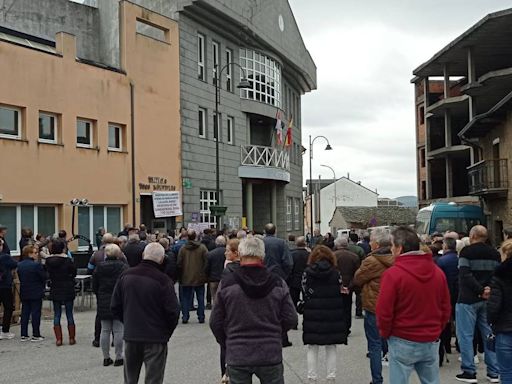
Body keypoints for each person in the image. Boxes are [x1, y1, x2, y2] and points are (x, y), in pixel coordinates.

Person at [210, 237, 298, 384]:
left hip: (238, 351)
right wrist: (276, 332)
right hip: (270, 351)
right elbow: (291, 318)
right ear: (262, 256)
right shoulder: (277, 283)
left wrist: (227, 341)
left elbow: (215, 322)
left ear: (240, 254)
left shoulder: (227, 283)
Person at [376, 226, 451, 384]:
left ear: (399, 248)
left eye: (392, 246)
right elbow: (445, 307)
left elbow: (384, 311)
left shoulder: (393, 274)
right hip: (430, 337)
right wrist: (437, 328)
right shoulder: (437, 272)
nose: (391, 249)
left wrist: (386, 333)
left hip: (401, 337)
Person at [111, 243, 180, 384]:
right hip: (155, 337)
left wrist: (128, 321)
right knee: (154, 379)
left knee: (130, 379)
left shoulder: (126, 275)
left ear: (143, 255)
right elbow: (173, 312)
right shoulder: (163, 280)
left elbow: (115, 305)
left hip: (132, 335)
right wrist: (165, 332)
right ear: (162, 259)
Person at [455, 225, 501, 383]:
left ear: (472, 235)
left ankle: (469, 371)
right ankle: (493, 371)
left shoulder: (466, 252)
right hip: (487, 299)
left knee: (466, 336)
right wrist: (487, 289)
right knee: (489, 334)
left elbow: (465, 275)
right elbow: (497, 275)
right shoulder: (495, 253)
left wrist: (479, 290)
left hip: (468, 299)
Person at [353, 228, 395, 384]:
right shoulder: (396, 258)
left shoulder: (371, 261)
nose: (369, 243)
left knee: (374, 344)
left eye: (371, 240)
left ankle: (377, 380)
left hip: (374, 306)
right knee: (392, 341)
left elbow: (358, 278)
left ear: (376, 244)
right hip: (392, 305)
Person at [302, 245, 348, 384]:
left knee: (312, 346)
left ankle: (312, 377)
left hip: (312, 311)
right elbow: (340, 290)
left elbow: (304, 292)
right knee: (331, 346)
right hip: (332, 312)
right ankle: (331, 377)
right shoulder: (336, 273)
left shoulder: (307, 272)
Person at [93, 243, 128, 367]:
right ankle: (119, 356)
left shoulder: (99, 267)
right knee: (118, 330)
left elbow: (94, 285)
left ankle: (106, 357)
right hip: (118, 299)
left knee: (105, 330)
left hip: (103, 299)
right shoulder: (123, 267)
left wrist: (99, 294)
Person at [262, 223, 293, 347]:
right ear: (275, 231)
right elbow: (288, 262)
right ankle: (283, 337)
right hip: (278, 276)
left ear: (265, 231)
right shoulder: (281, 243)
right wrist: (285, 275)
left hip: (263, 276)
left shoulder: (260, 243)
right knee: (281, 306)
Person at [487, 239, 512, 384]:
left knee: (507, 371)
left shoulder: (500, 276)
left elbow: (494, 305)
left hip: (505, 328)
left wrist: (491, 321)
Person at [45, 238, 77, 346]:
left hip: (55, 287)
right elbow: (74, 272)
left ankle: (59, 339)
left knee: (57, 314)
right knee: (69, 314)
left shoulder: (48, 261)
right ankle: (71, 338)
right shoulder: (67, 260)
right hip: (67, 287)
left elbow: (47, 274)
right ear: (63, 248)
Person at [436, 236, 459, 365]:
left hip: (447, 293)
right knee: (459, 322)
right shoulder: (459, 259)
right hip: (459, 293)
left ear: (445, 246)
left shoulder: (442, 261)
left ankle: (446, 346)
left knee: (446, 321)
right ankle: (459, 346)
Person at [177, 229, 208, 324]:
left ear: (187, 237)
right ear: (195, 237)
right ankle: (201, 316)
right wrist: (204, 272)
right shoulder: (202, 248)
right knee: (200, 297)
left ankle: (185, 316)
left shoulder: (183, 248)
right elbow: (207, 261)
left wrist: (180, 275)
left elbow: (179, 263)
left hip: (186, 277)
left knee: (185, 298)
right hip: (200, 276)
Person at [17, 245, 46, 341]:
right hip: (36, 291)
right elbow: (43, 277)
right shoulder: (36, 265)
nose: (37, 254)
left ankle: (23, 334)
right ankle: (36, 334)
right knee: (35, 313)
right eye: (35, 252)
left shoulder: (20, 265)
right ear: (29, 254)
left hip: (24, 291)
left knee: (25, 313)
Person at [333, 236, 360, 334]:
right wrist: (351, 285)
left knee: (336, 307)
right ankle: (347, 327)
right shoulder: (354, 256)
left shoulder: (333, 256)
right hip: (349, 285)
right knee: (347, 307)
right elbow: (357, 273)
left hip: (336, 285)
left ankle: (338, 326)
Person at [0, 237, 18, 339]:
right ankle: (5, 331)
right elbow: (14, 264)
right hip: (4, 285)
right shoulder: (4, 257)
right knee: (8, 307)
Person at [288, 236, 310, 308]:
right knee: (307, 301)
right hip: (307, 280)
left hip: (295, 280)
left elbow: (290, 267)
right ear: (305, 244)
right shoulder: (309, 254)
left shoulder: (292, 254)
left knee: (293, 301)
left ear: (296, 244)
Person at [205, 235, 226, 305]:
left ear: (216, 243)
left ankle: (216, 311)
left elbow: (207, 267)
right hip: (225, 278)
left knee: (215, 297)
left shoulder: (211, 254)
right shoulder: (227, 253)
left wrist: (207, 277)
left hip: (213, 279)